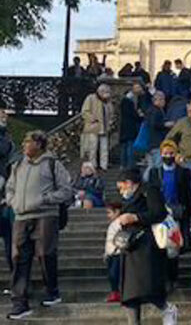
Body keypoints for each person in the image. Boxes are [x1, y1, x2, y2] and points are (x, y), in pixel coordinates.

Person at [6, 130, 72, 319]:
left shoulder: (53, 164)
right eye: (25, 141)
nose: (24, 145)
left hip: (45, 215)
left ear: (39, 144)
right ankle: (19, 302)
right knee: (19, 258)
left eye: (28, 141)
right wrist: (13, 201)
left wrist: (45, 199)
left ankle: (52, 291)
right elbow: (10, 187)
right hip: (20, 217)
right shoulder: (17, 164)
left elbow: (66, 190)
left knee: (45, 253)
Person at [115, 166, 178, 324]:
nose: (120, 190)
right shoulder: (127, 199)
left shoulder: (150, 191)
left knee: (148, 286)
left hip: (147, 247)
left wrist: (135, 217)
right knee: (130, 293)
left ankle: (167, 308)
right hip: (130, 248)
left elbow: (159, 213)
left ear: (129, 183)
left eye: (121, 186)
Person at [146, 139, 191, 279]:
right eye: (165, 153)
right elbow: (151, 191)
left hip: (177, 212)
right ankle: (162, 275)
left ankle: (173, 276)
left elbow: (188, 193)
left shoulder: (183, 172)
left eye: (171, 153)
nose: (168, 156)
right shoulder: (155, 172)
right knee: (160, 243)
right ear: (161, 154)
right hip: (160, 212)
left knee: (174, 245)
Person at [80, 83, 113, 170]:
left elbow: (111, 113)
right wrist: (93, 119)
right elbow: (84, 111)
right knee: (92, 148)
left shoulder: (108, 101)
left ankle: (104, 165)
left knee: (104, 148)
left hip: (105, 128)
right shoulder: (90, 98)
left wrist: (110, 122)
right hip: (93, 127)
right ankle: (92, 165)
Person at [119, 83, 147, 169]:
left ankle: (123, 164)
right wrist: (140, 116)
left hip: (125, 127)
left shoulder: (125, 102)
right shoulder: (129, 102)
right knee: (129, 147)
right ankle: (129, 165)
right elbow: (133, 115)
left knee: (125, 147)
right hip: (130, 128)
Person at [104, 200, 123, 304]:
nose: (108, 215)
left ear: (117, 212)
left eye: (109, 212)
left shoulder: (121, 222)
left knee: (114, 274)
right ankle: (115, 292)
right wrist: (106, 253)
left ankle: (117, 292)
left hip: (117, 253)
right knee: (111, 274)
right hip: (111, 253)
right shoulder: (112, 224)